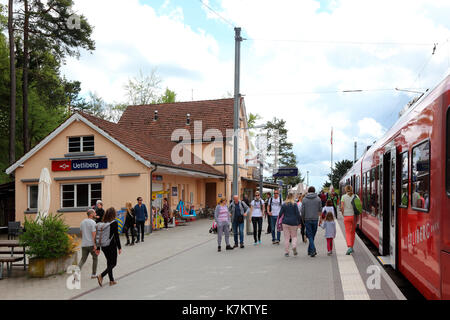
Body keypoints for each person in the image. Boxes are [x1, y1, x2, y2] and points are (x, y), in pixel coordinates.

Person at [96, 207, 122, 287]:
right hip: (111, 245)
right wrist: (119, 247)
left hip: (103, 246)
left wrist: (98, 248)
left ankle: (111, 280)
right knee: (113, 263)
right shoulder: (114, 223)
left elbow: (98, 236)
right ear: (113, 214)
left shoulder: (102, 223)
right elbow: (116, 236)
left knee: (109, 262)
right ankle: (101, 275)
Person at [301, 186, 322, 257]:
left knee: (310, 235)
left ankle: (311, 250)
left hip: (307, 219)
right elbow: (320, 210)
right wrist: (320, 219)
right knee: (312, 235)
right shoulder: (318, 199)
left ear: (308, 191)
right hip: (315, 219)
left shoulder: (304, 199)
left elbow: (302, 211)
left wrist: (303, 218)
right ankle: (312, 250)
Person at [279, 193, 302, 257]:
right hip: (294, 223)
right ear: (292, 197)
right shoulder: (294, 204)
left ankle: (286, 252)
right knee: (294, 236)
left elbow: (280, 213)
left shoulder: (284, 204)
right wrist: (299, 222)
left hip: (285, 222)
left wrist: (279, 220)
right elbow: (297, 214)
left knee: (286, 238)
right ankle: (294, 246)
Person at [78, 209, 98, 279]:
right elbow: (94, 235)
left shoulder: (82, 222)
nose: (95, 214)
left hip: (84, 244)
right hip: (91, 244)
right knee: (95, 258)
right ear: (91, 214)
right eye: (94, 213)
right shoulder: (93, 223)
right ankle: (93, 274)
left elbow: (81, 233)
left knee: (83, 260)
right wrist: (95, 244)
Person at [341, 185, 357, 255]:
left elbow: (342, 207)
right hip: (354, 216)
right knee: (353, 232)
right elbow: (359, 205)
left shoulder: (343, 197)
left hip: (346, 216)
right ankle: (352, 247)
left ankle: (349, 247)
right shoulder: (356, 196)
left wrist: (343, 213)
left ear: (345, 190)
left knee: (347, 232)